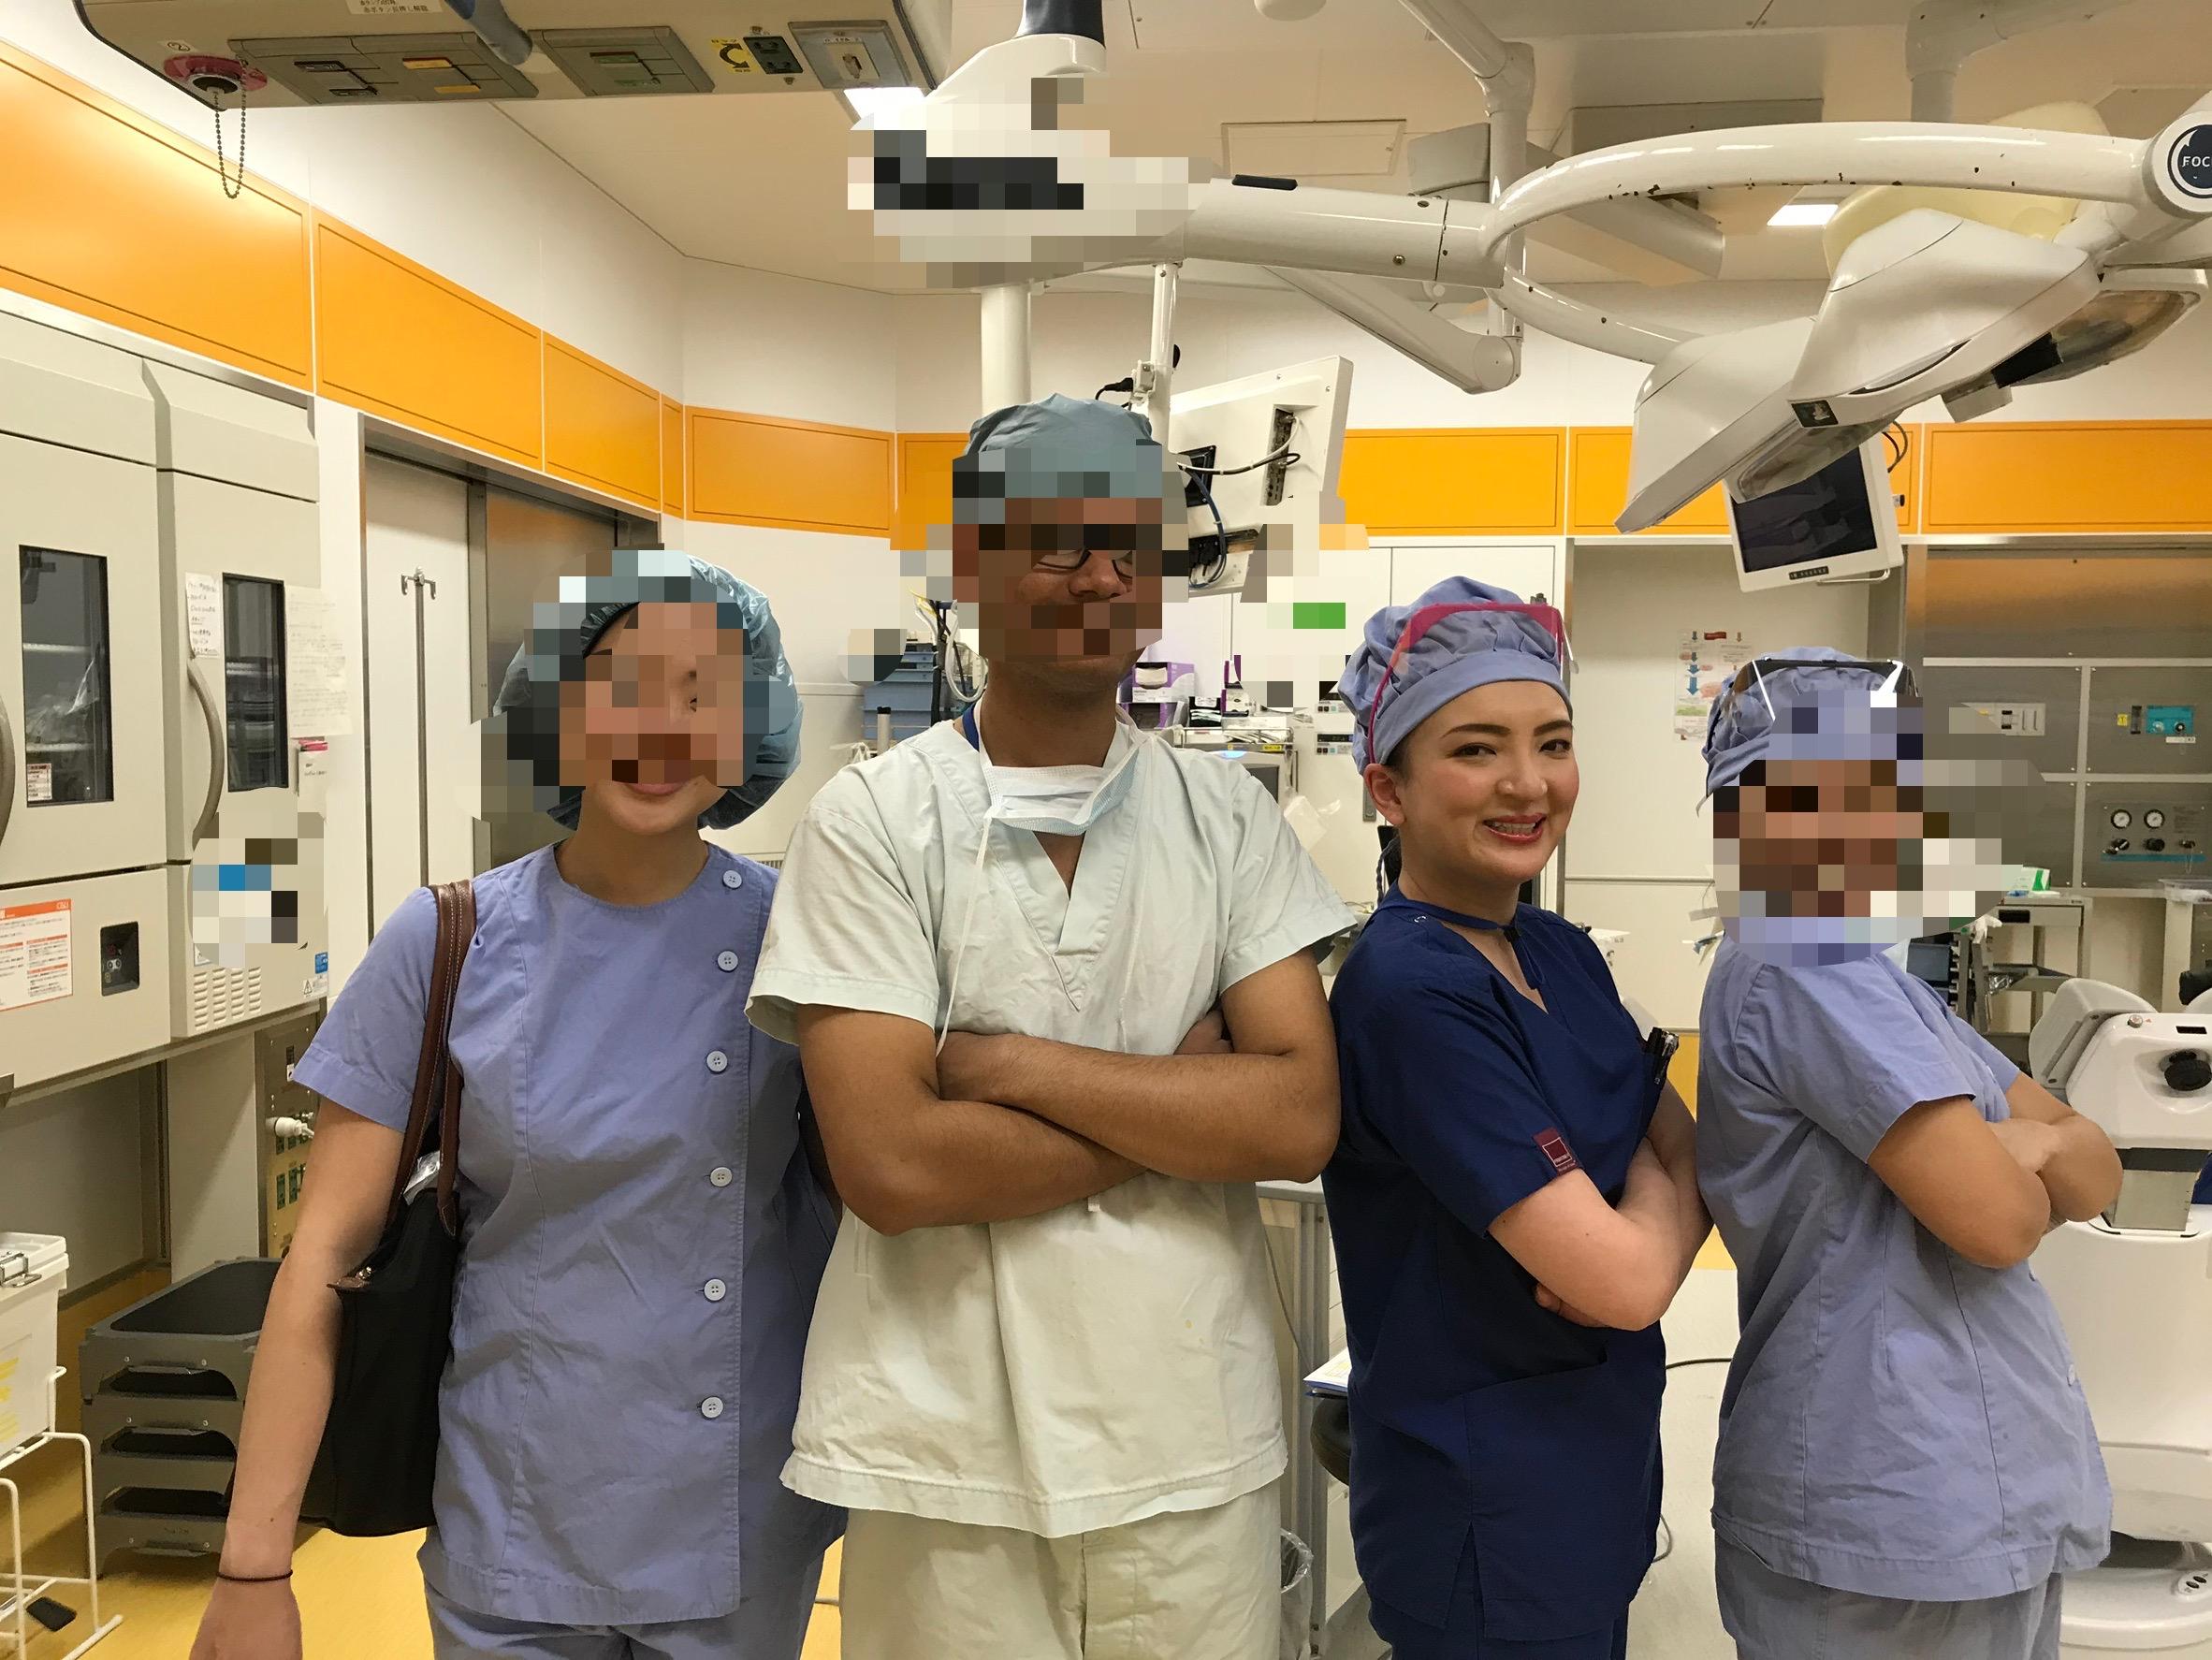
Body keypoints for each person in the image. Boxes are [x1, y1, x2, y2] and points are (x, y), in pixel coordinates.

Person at [745, 392, 1356, 1660]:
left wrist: (1011, 1066)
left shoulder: (1223, 818)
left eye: (1128, 544)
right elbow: (895, 1168)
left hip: (1189, 1445)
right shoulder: (875, 821)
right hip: (947, 1463)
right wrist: (1178, 1103)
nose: (1098, 576)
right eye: (1057, 539)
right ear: (972, 564)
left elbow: (1297, 1115)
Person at [190, 553, 840, 1660]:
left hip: (740, 1523)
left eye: (706, 695)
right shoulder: (449, 940)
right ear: (560, 711)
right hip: (515, 1514)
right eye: (628, 685)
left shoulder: (805, 941)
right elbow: (322, 1257)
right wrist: (254, 1567)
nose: (664, 729)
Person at [1695, 648, 2120, 1660]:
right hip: (1889, 1500)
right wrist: (2024, 1146)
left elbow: (2097, 1170)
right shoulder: (1801, 962)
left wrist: (2024, 1145)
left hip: (1959, 1491)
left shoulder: (1881, 983)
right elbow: (2000, 1222)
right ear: (1746, 816)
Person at [1322, 578, 1710, 1660]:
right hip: (1480, 1508)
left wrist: (1643, 1223)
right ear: (1387, 788)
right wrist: (1648, 1223)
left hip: (1590, 1467)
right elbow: (1628, 1272)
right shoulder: (1410, 992)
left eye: (1554, 742)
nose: (1528, 782)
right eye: (1476, 748)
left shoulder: (1559, 949)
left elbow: (1691, 1153)